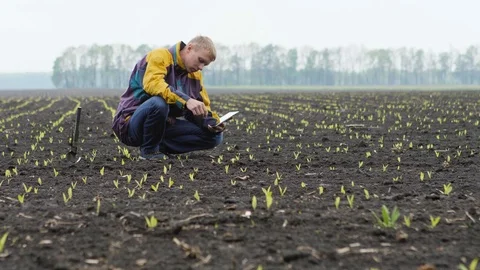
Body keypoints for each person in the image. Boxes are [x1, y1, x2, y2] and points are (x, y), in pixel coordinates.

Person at [112, 35, 225, 160]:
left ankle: (158, 146)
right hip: (130, 124)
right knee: (158, 103)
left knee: (215, 136)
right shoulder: (160, 56)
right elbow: (153, 84)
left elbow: (201, 105)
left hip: (163, 124)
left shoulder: (195, 75)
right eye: (200, 60)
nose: (201, 67)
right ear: (189, 48)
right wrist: (186, 100)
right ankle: (149, 152)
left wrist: (212, 123)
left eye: (205, 64)